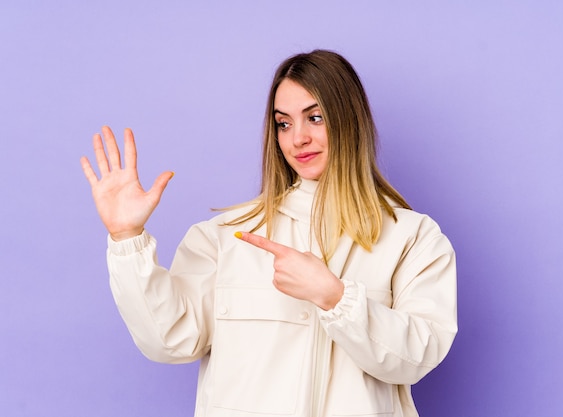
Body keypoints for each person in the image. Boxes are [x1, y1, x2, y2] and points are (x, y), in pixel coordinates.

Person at [80, 50, 457, 417]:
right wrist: (127, 237)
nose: (298, 139)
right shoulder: (227, 236)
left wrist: (336, 299)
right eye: (284, 123)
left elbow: (418, 357)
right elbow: (169, 340)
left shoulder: (413, 237)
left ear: (349, 119)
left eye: (315, 117)